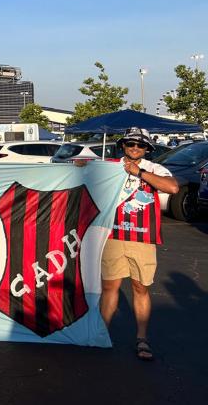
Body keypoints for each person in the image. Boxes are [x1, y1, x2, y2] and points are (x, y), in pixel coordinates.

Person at [98, 127, 178, 361]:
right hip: (112, 236)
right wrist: (82, 166)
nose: (135, 148)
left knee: (140, 288)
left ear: (147, 149)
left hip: (143, 239)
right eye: (131, 144)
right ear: (123, 145)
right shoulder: (110, 165)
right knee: (109, 288)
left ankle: (142, 338)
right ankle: (102, 333)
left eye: (140, 145)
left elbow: (172, 187)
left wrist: (139, 172)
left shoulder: (155, 168)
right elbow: (84, 176)